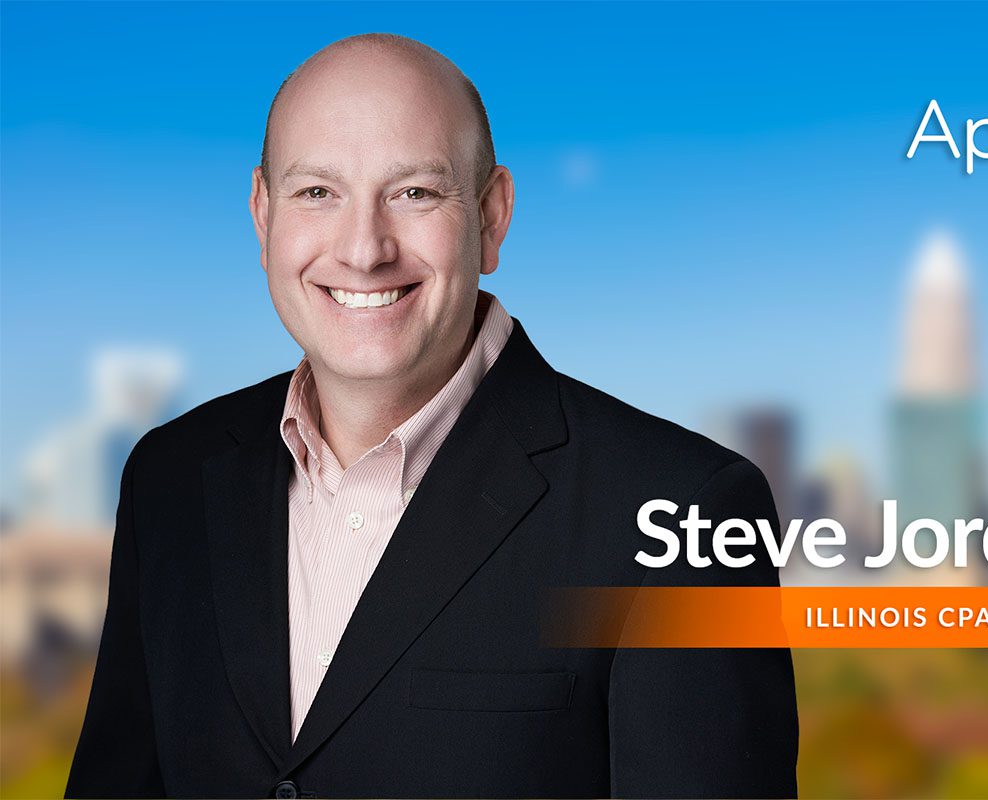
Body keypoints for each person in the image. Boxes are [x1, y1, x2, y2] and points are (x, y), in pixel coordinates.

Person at [64, 33, 798, 799]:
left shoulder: (680, 512)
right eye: (317, 192)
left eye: (414, 192)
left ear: (492, 214)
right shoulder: (169, 479)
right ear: (262, 214)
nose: (363, 248)